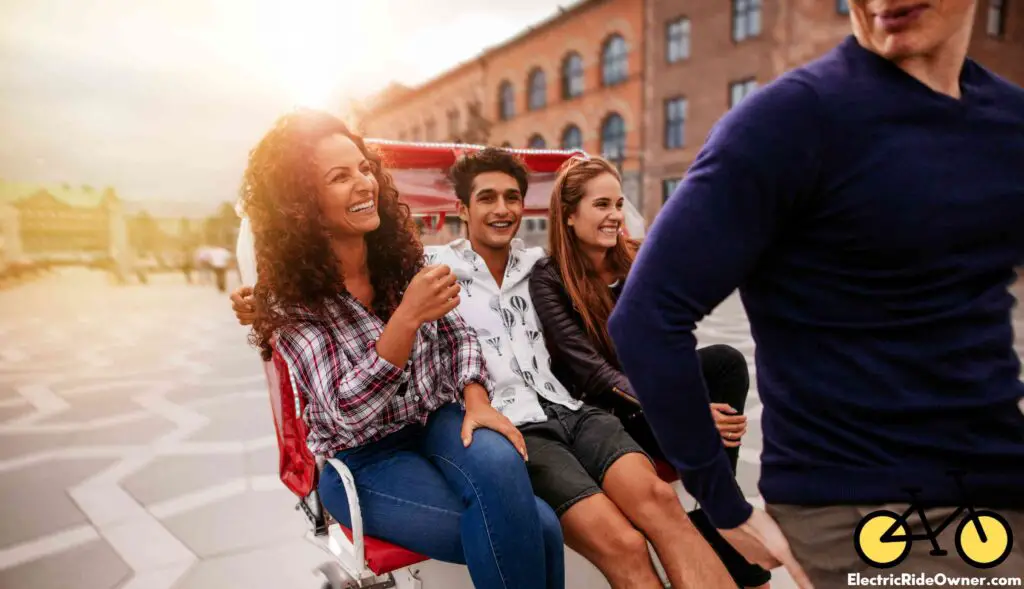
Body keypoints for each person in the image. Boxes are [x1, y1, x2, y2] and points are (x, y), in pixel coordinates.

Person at [607, 2, 1024, 587]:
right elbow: (647, 318)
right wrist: (724, 507)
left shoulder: (1009, 120)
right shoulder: (789, 122)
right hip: (862, 506)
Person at [238, 110, 564, 589]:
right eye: (339, 176)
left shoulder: (401, 261)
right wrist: (405, 318)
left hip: (437, 421)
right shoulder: (288, 303)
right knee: (539, 527)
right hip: (364, 459)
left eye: (364, 168)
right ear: (299, 204)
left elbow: (459, 339)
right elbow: (347, 412)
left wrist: (476, 399)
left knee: (501, 462)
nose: (363, 183)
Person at [432, 148, 734, 589]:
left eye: (512, 197)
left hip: (575, 409)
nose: (503, 210)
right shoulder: (433, 268)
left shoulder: (538, 265)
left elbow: (613, 254)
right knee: (623, 544)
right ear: (462, 209)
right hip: (517, 429)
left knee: (661, 501)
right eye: (487, 198)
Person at [528, 155, 771, 588]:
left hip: (653, 395)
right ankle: (723, 528)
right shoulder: (549, 278)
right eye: (601, 205)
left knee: (724, 362)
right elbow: (590, 372)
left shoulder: (635, 259)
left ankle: (715, 511)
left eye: (619, 204)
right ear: (568, 216)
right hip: (609, 411)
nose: (615, 216)